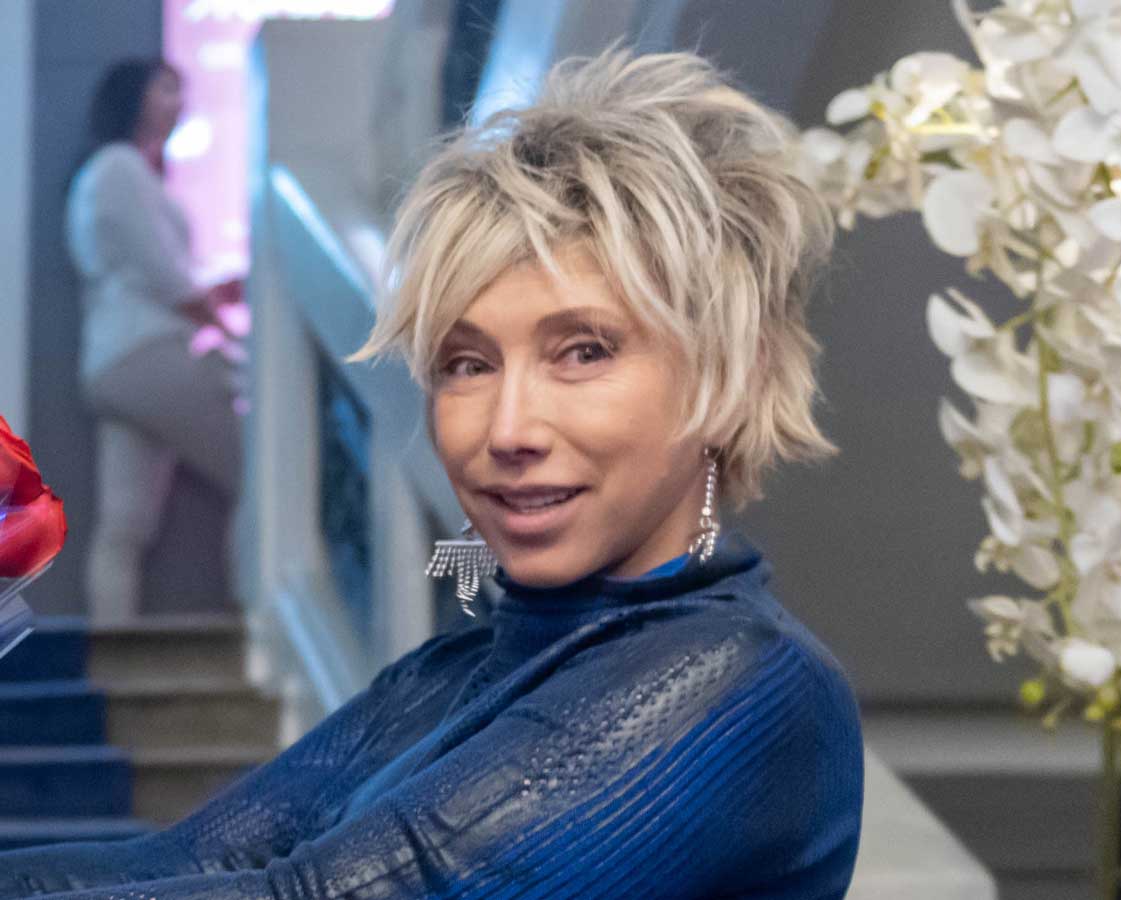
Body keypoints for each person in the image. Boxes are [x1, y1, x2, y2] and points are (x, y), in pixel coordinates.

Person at [0, 48, 863, 897]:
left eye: (583, 351)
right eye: (467, 364)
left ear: (727, 375)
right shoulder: (451, 671)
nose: (508, 429)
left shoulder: (741, 679)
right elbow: (190, 861)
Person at [65, 59, 244, 623]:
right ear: (134, 97)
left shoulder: (107, 175)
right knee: (258, 473)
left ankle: (111, 650)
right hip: (147, 354)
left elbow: (146, 274)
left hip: (114, 364)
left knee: (124, 523)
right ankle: (253, 629)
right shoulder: (120, 167)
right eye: (166, 88)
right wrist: (225, 327)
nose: (179, 102)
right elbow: (166, 279)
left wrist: (214, 295)